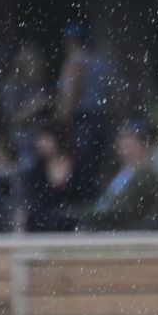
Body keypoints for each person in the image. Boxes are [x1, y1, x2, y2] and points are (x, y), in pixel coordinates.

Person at [56, 22, 113, 201]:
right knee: (95, 167)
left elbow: (72, 95)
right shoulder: (101, 62)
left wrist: (61, 121)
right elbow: (111, 97)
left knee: (81, 169)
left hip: (82, 120)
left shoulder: (75, 63)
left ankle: (83, 209)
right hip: (99, 119)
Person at [80, 121, 158, 231]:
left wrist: (82, 214)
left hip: (119, 230)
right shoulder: (119, 172)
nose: (125, 151)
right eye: (122, 146)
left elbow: (122, 210)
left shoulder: (147, 177)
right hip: (102, 224)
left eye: (130, 146)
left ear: (143, 147)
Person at [1, 44, 53, 170]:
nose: (36, 67)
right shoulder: (13, 88)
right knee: (27, 173)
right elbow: (14, 119)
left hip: (46, 142)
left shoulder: (43, 84)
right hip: (25, 142)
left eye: (37, 63)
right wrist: (36, 106)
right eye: (32, 63)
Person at [23, 123, 79, 233]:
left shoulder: (78, 165)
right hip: (44, 225)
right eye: (40, 140)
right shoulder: (36, 171)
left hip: (73, 223)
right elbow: (34, 202)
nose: (42, 144)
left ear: (57, 138)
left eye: (46, 139)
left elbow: (85, 196)